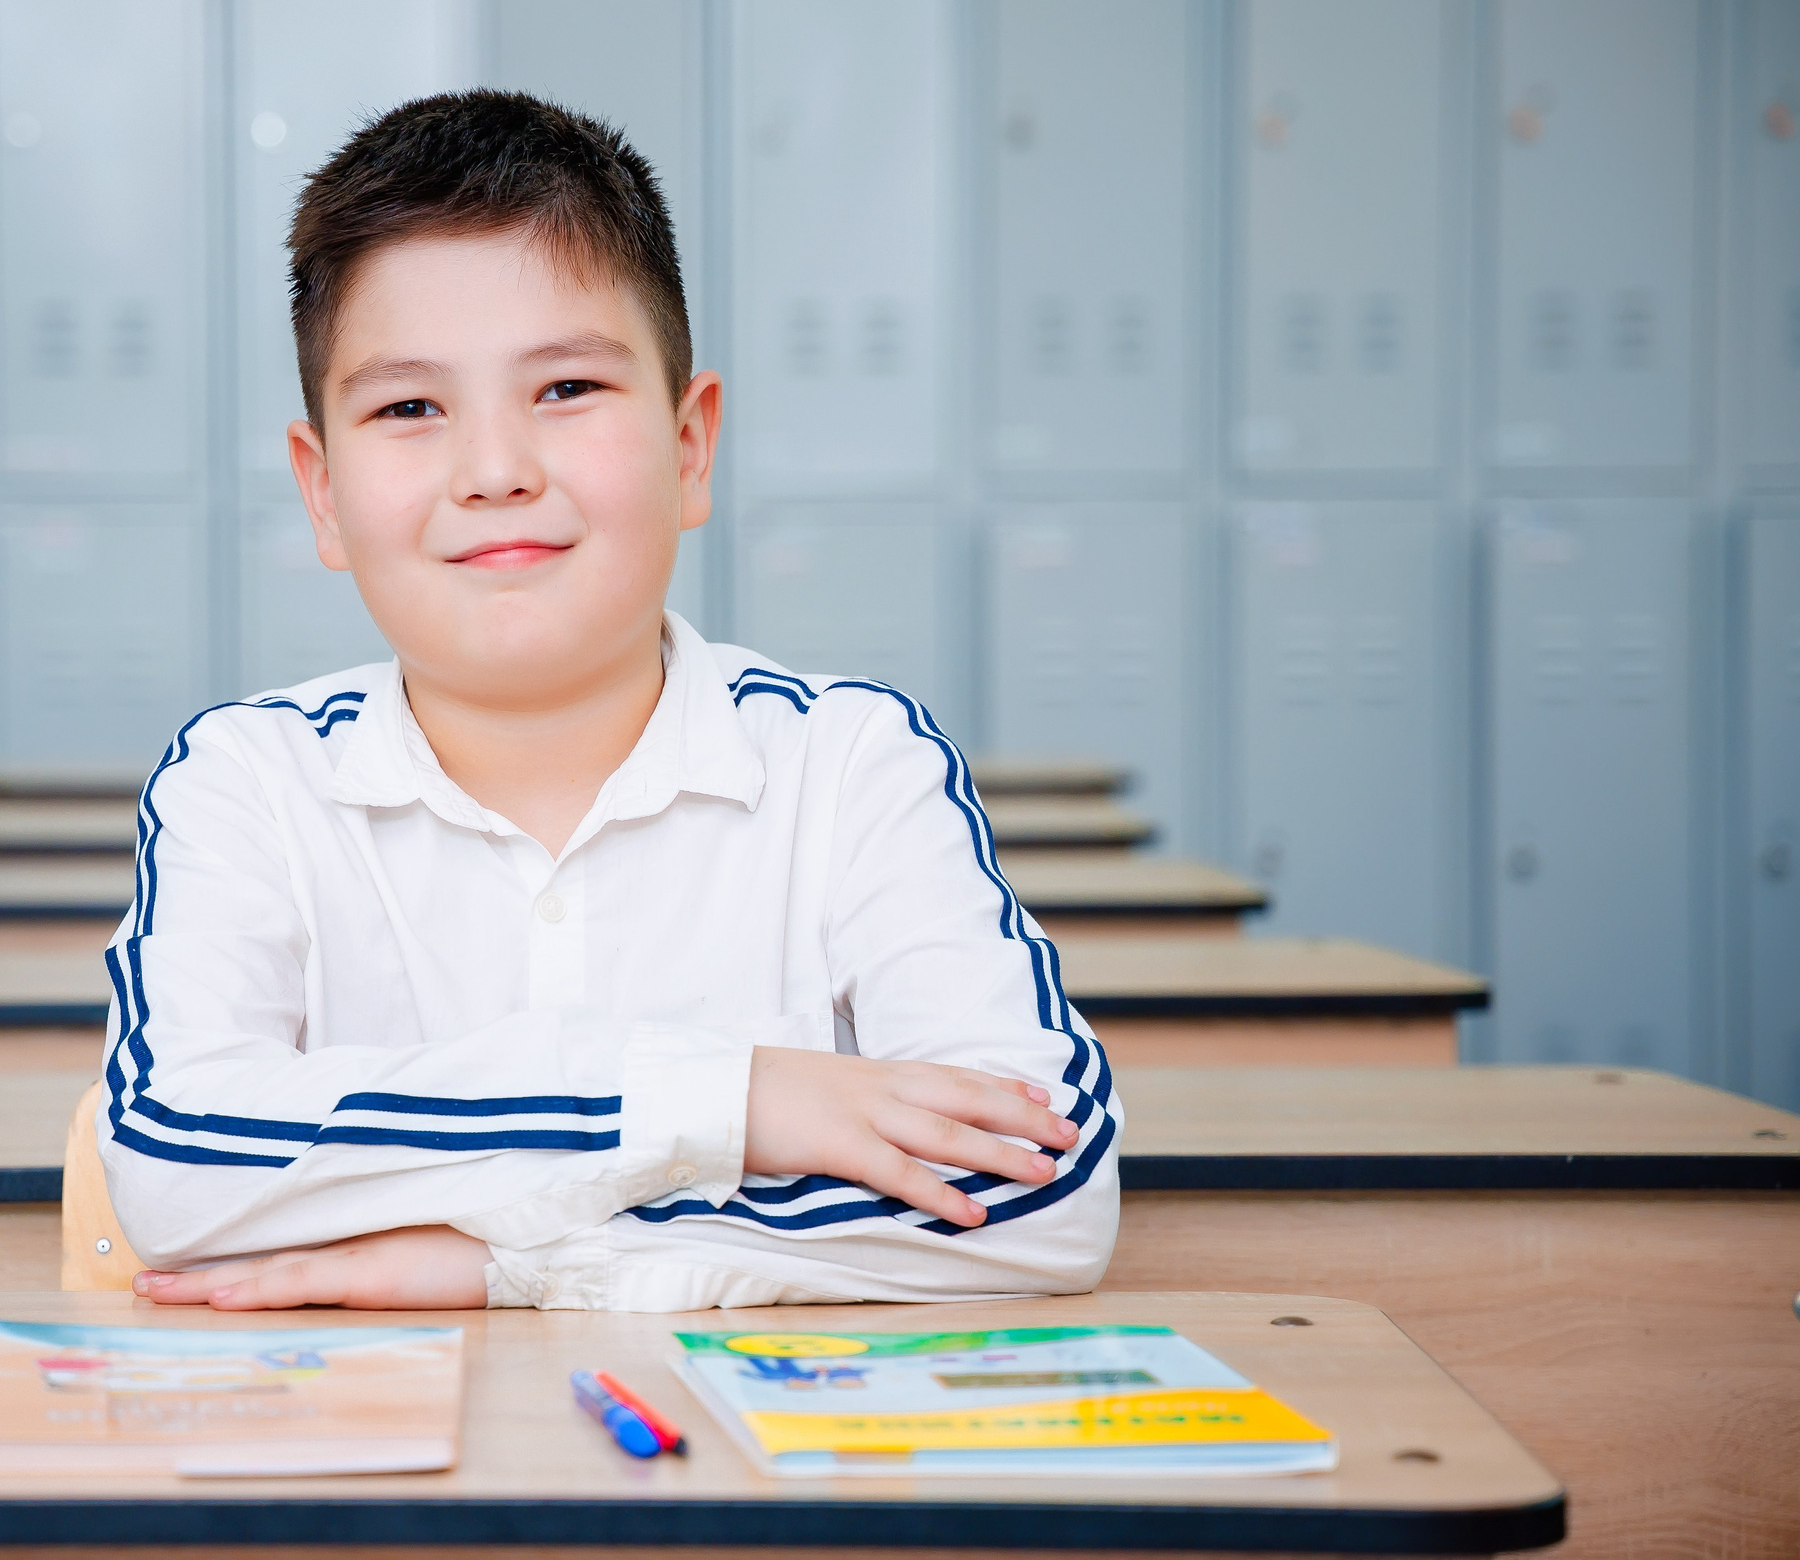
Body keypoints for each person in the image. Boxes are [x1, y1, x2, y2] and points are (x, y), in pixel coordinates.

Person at [99, 90, 1117, 1311]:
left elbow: (1039, 1195)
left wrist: (501, 1264)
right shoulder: (245, 781)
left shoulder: (853, 764)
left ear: (690, 448)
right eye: (409, 408)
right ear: (321, 492)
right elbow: (175, 1166)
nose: (493, 472)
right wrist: (734, 1100)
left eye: (568, 389)